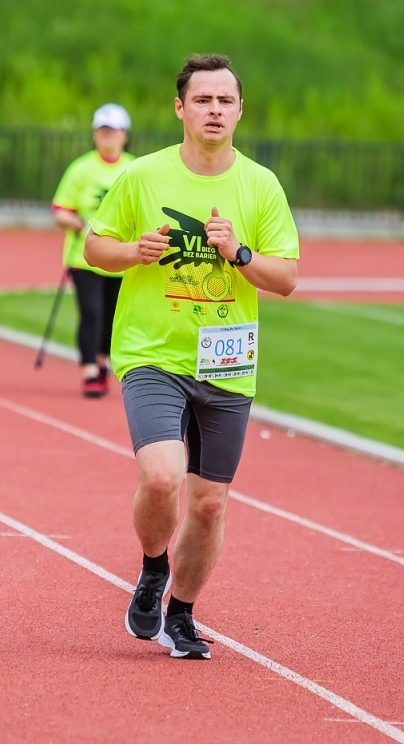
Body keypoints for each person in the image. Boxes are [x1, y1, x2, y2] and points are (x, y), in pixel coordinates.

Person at [85, 55, 299, 660]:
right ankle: (154, 567)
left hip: (227, 361)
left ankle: (181, 611)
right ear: (179, 108)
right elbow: (93, 247)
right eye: (201, 100)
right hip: (153, 352)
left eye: (224, 101)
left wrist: (238, 252)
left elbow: (285, 278)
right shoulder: (142, 176)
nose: (213, 110)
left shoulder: (261, 185)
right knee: (161, 477)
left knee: (208, 504)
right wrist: (134, 250)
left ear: (239, 110)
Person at [51, 103, 135, 398]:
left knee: (112, 316)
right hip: (84, 256)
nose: (108, 137)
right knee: (91, 312)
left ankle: (101, 362)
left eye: (113, 131)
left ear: (125, 135)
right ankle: (89, 369)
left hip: (122, 257)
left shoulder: (135, 168)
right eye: (103, 131)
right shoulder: (82, 168)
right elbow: (60, 209)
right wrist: (74, 221)